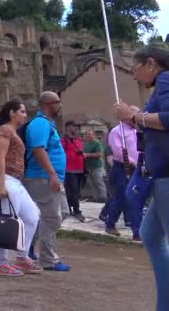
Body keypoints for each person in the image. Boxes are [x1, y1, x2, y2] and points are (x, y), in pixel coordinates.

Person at [114, 45, 169, 311]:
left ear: (150, 63)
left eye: (136, 68)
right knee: (149, 233)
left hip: (168, 175)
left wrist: (135, 116)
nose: (134, 75)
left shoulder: (166, 79)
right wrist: (137, 117)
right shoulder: (161, 86)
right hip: (162, 174)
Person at [0, 100, 41, 276]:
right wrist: (2, 186)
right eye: (22, 112)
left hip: (14, 181)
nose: (25, 115)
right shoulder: (5, 130)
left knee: (32, 216)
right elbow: (0, 158)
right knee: (7, 219)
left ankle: (22, 257)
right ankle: (0, 263)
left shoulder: (13, 132)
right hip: (3, 179)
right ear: (12, 113)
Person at [23, 91, 71, 272]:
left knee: (62, 213)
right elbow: (38, 149)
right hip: (42, 177)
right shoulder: (40, 124)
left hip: (52, 178)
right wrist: (51, 174)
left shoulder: (47, 124)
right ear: (49, 104)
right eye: (58, 102)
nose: (61, 106)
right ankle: (48, 259)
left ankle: (29, 247)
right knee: (52, 217)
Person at [104, 107, 139, 237]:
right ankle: (110, 224)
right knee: (120, 197)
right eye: (134, 115)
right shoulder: (116, 131)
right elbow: (118, 152)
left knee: (134, 197)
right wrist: (132, 162)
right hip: (122, 167)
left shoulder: (136, 130)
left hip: (138, 166)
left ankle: (133, 225)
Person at [61, 121, 86, 222]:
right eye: (72, 127)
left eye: (75, 127)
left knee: (76, 191)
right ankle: (76, 211)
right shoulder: (63, 140)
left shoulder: (78, 140)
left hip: (80, 169)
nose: (74, 128)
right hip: (69, 169)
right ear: (67, 128)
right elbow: (61, 152)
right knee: (73, 191)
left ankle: (69, 208)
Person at [83, 130, 107, 204]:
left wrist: (87, 155)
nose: (88, 136)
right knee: (91, 183)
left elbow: (100, 154)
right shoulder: (86, 144)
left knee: (99, 182)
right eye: (87, 134)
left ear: (94, 135)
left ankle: (103, 198)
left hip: (97, 166)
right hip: (89, 167)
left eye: (89, 134)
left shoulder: (96, 143)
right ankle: (96, 198)